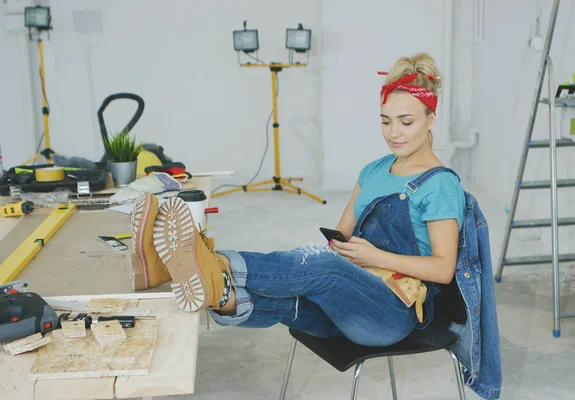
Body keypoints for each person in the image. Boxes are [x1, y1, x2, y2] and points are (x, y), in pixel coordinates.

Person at [130, 51, 465, 346]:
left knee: (323, 267)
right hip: (348, 301)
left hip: (391, 314)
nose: (394, 133)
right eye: (386, 121)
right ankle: (218, 291)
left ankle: (213, 263)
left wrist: (375, 256)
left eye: (406, 122)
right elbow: (339, 242)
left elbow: (443, 269)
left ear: (430, 118)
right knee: (293, 291)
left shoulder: (439, 185)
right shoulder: (373, 172)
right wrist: (343, 253)